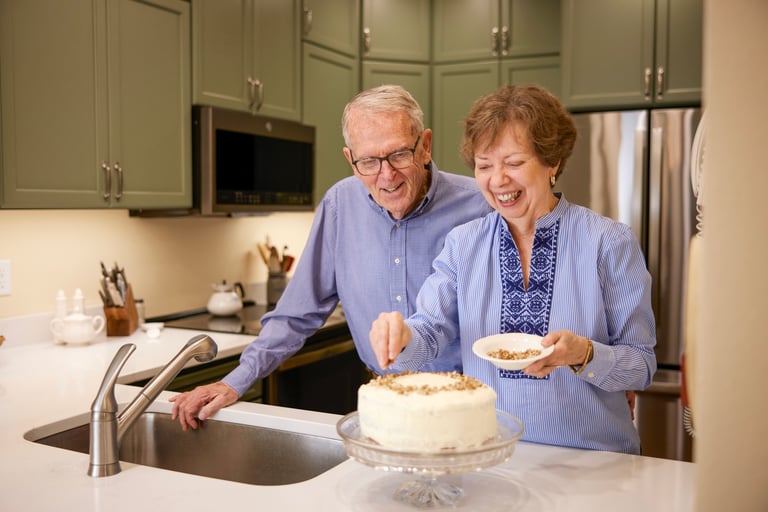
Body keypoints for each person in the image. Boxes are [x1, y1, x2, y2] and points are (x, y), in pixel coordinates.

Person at [170, 85, 492, 430]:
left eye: (399, 154)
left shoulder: (481, 205)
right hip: (382, 406)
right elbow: (297, 313)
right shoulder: (340, 206)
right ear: (351, 161)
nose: (387, 175)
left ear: (425, 146)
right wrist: (235, 381)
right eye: (368, 161)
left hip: (468, 404)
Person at [368, 84, 656, 454]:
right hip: (493, 454)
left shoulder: (609, 242)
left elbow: (642, 365)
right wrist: (401, 335)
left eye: (514, 163)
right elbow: (428, 333)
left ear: (552, 162)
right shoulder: (463, 244)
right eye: (484, 165)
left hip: (595, 458)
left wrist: (583, 354)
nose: (498, 180)